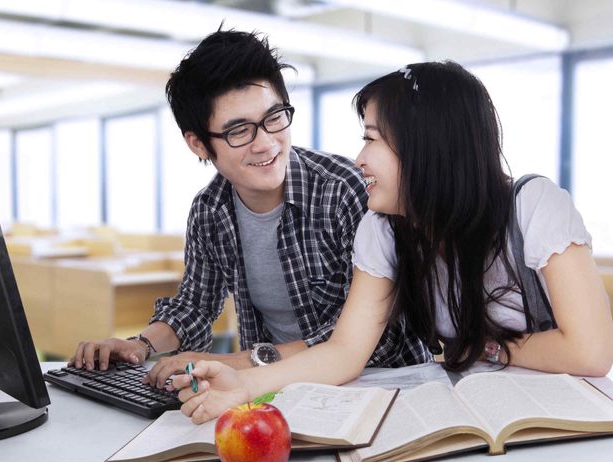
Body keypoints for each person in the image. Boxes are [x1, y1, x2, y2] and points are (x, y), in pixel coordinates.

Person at [173, 60, 613, 423]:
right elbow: (345, 352)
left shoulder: (533, 207)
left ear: (425, 148)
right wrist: (245, 385)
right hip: (474, 408)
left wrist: (482, 347)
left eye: (371, 139)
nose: (359, 159)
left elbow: (591, 351)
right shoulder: (384, 228)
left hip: (568, 420)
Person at [68, 29, 431, 387]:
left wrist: (239, 363)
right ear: (198, 144)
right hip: (275, 388)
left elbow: (375, 338)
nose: (266, 143)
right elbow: (194, 306)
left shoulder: (344, 190)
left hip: (385, 385)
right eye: (239, 131)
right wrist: (138, 346)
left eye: (274, 118)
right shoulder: (210, 210)